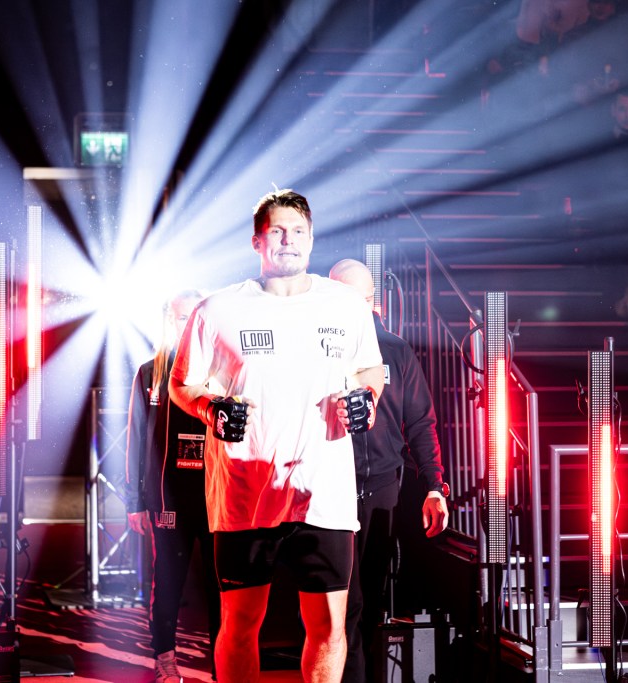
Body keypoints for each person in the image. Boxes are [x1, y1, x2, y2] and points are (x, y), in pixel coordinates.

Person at [168, 189, 385, 683]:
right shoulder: (218, 309)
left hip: (323, 493)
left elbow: (370, 368)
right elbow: (181, 384)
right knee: (240, 625)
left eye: (299, 231)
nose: (289, 240)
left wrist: (368, 397)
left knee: (329, 629)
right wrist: (209, 408)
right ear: (257, 241)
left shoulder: (344, 306)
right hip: (246, 494)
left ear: (312, 239)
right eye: (278, 231)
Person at [328, 259, 449, 683]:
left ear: (370, 302)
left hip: (381, 489)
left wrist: (434, 485)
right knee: (343, 601)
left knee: (371, 599)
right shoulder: (320, 349)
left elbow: (420, 422)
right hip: (331, 488)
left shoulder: (395, 350)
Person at [125, 290, 220, 683]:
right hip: (168, 499)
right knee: (167, 584)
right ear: (169, 321)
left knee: (221, 589)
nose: (189, 325)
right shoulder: (151, 374)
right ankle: (165, 660)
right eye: (182, 318)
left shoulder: (220, 370)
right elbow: (136, 439)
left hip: (216, 499)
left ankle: (223, 665)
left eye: (195, 317)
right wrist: (134, 500)